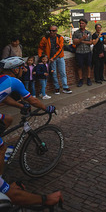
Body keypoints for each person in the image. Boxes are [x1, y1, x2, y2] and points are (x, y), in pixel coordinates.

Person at [0, 57, 62, 207]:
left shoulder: (3, 79)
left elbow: (5, 98)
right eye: (22, 67)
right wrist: (46, 108)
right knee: (2, 148)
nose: (25, 70)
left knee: (7, 119)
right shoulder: (15, 81)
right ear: (15, 69)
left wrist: (20, 107)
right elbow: (32, 100)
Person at [38, 25, 72, 94]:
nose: (51, 32)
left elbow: (60, 49)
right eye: (50, 31)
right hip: (50, 59)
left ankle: (65, 87)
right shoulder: (45, 38)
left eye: (53, 31)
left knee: (63, 72)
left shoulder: (60, 38)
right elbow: (40, 47)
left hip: (59, 58)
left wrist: (53, 58)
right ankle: (57, 88)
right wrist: (41, 57)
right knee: (54, 73)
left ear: (56, 31)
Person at [72, 18, 93, 87]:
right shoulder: (76, 33)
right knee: (80, 66)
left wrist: (81, 41)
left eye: (82, 23)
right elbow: (74, 42)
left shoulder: (88, 32)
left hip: (87, 51)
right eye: (80, 23)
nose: (81, 24)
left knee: (88, 66)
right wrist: (82, 39)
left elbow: (90, 42)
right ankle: (80, 79)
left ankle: (88, 78)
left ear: (85, 24)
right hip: (79, 52)